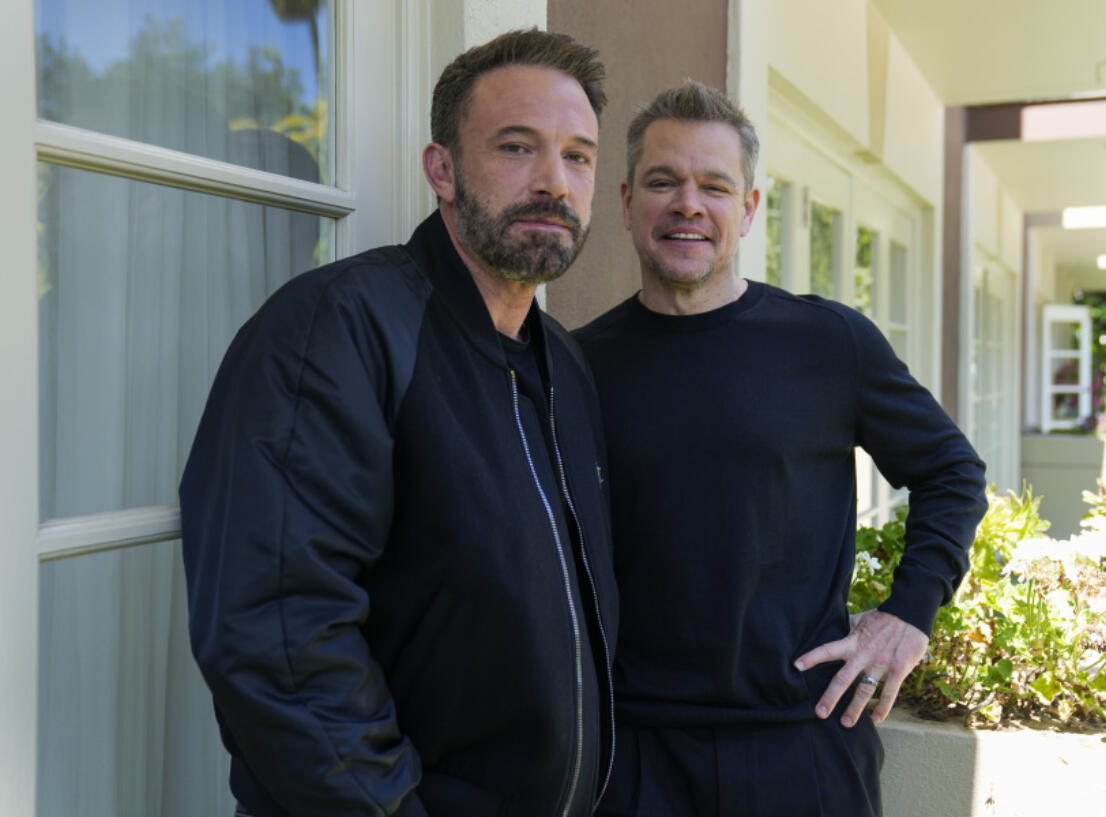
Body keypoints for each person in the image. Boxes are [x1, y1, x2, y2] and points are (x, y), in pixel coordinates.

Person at [180, 29, 618, 817]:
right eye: (518, 147)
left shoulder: (566, 366)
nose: (554, 181)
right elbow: (279, 636)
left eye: (578, 156)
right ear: (441, 169)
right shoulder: (335, 330)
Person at [574, 81, 987, 817]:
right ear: (628, 198)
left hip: (802, 746)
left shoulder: (830, 344)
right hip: (633, 756)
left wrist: (908, 615)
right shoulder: (576, 367)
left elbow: (951, 471)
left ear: (750, 208)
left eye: (714, 186)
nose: (688, 204)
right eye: (664, 182)